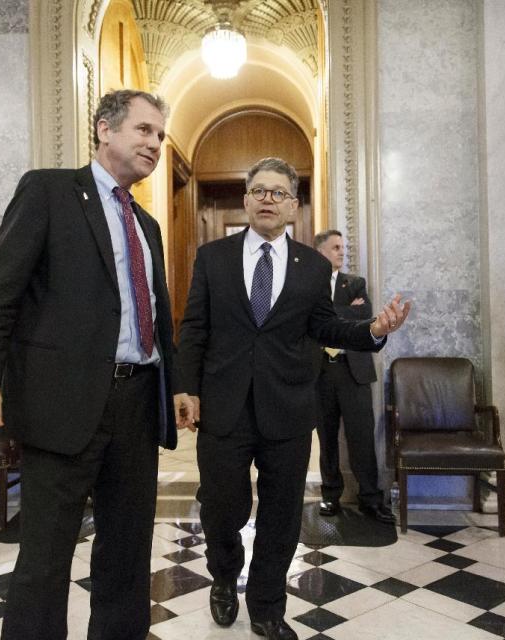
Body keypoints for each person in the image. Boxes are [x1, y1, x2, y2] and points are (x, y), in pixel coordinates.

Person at [0, 89, 176, 640]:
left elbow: (159, 320)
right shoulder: (50, 191)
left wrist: (179, 386)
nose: (155, 143)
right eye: (144, 130)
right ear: (105, 129)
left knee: (127, 554)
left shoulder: (147, 226)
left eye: (160, 135)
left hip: (137, 404)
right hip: (62, 404)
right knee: (45, 559)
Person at [173, 157, 410, 640]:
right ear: (245, 201)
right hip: (225, 407)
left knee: (281, 514)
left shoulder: (313, 267)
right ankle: (223, 576)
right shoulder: (213, 257)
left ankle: (266, 606)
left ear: (293, 206)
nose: (267, 199)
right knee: (221, 506)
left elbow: (325, 326)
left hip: (289, 408)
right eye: (258, 190)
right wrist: (185, 387)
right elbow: (194, 327)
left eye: (278, 192)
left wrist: (374, 330)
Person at [310, 230, 394, 524]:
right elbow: (310, 317)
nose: (341, 252)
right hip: (320, 372)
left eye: (343, 248)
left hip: (353, 370)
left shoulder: (355, 283)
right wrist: (345, 311)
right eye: (335, 248)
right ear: (320, 251)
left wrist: (333, 313)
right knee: (327, 438)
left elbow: (365, 317)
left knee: (361, 438)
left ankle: (370, 498)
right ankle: (330, 496)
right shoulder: (308, 285)